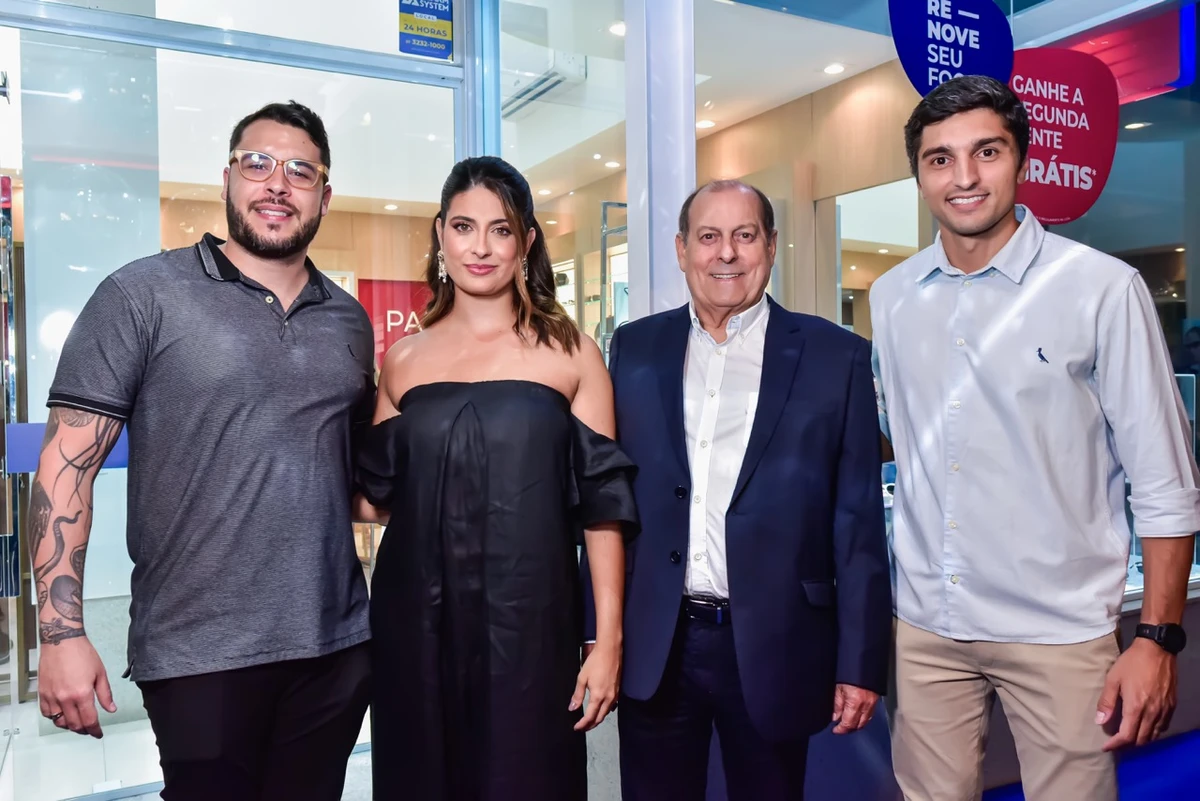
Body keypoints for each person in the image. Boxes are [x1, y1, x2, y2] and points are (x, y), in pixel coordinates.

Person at [32, 101, 374, 800]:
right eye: (259, 163)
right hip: (197, 649)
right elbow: (65, 469)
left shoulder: (349, 318)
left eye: (301, 171)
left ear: (325, 196)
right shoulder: (141, 294)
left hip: (335, 644)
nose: (278, 183)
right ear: (228, 177)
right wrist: (60, 632)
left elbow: (355, 477)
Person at [871, 75, 1199, 801]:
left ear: (1020, 159)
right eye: (939, 158)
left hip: (1058, 630)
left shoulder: (1102, 288)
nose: (963, 177)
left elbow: (1165, 480)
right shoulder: (892, 297)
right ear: (919, 174)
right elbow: (908, 440)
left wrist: (1157, 638)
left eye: (985, 151)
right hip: (927, 627)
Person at [587, 179, 891, 801]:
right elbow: (606, 497)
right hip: (659, 643)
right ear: (681, 250)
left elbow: (856, 521)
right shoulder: (634, 348)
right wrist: (598, 630)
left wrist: (860, 663)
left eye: (744, 235)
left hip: (778, 642)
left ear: (770, 246)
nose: (726, 253)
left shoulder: (838, 357)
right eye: (709, 237)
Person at [353, 155, 639, 801]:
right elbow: (378, 499)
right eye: (463, 226)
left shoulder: (572, 351)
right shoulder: (402, 358)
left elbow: (604, 508)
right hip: (413, 626)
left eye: (501, 229)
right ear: (440, 234)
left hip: (533, 630)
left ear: (527, 242)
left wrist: (608, 639)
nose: (480, 246)